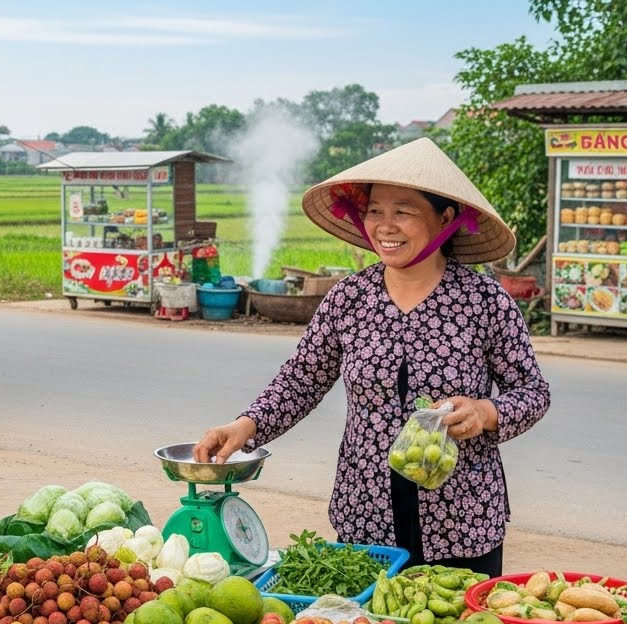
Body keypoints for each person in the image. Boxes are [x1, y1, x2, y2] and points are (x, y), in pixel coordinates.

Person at [194, 138, 550, 576]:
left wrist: (486, 411)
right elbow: (301, 379)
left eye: (403, 211)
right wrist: (245, 425)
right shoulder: (349, 297)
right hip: (366, 515)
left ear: (446, 218)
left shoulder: (483, 299)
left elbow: (532, 391)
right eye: (375, 211)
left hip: (462, 520)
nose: (385, 225)